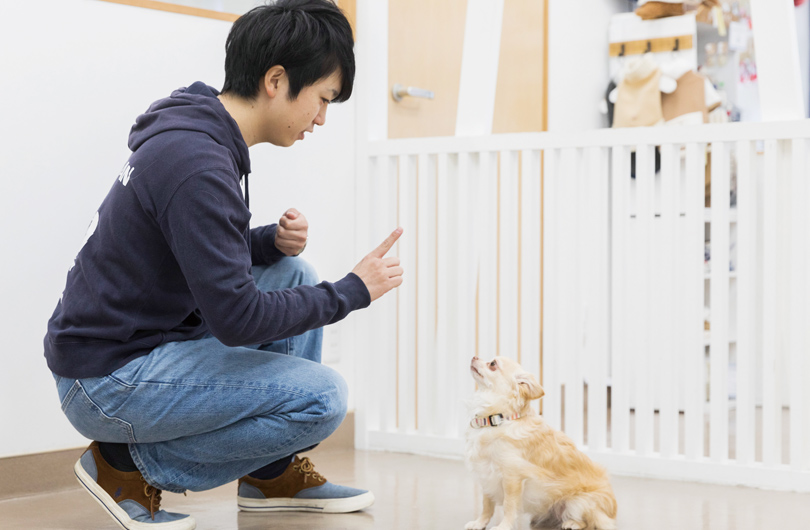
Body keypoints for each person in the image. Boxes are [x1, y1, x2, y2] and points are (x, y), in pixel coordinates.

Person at [44, 1, 403, 528]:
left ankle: (268, 474)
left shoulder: (198, 135)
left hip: (133, 346)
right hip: (105, 380)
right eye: (322, 99)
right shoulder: (197, 161)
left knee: (290, 273)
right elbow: (236, 320)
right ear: (277, 80)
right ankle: (122, 466)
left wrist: (265, 244)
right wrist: (351, 290)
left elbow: (182, 248)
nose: (322, 119)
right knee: (324, 398)